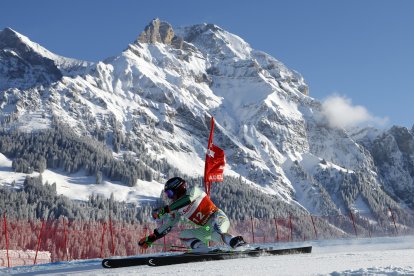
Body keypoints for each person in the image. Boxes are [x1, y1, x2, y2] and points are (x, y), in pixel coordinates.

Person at [138, 177, 246, 252]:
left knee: (217, 228)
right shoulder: (175, 208)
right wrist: (151, 239)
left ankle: (236, 243)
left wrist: (164, 210)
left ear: (178, 188)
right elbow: (168, 226)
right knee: (184, 235)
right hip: (206, 228)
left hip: (217, 217)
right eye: (167, 195)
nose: (170, 197)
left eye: (170, 193)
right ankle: (201, 249)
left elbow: (187, 200)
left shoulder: (194, 191)